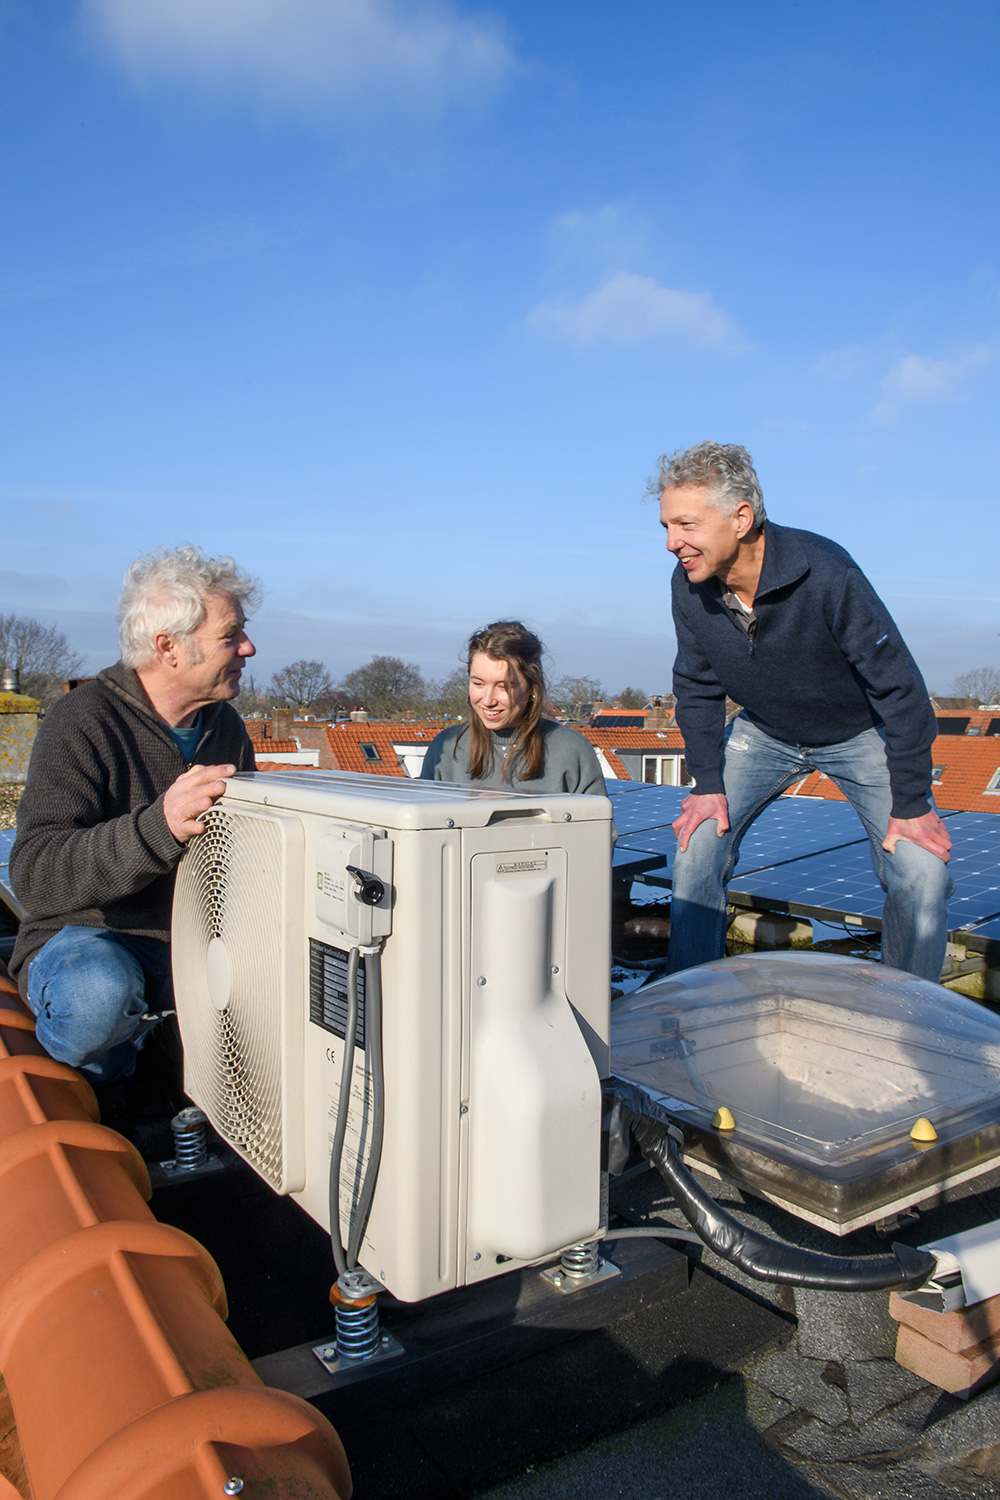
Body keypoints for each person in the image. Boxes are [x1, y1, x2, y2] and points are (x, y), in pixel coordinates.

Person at [656, 441, 952, 982]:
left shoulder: (827, 574)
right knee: (697, 844)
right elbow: (696, 687)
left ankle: (912, 1016)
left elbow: (902, 690)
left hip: (856, 732)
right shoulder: (689, 586)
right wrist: (706, 784)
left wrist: (911, 802)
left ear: (740, 518)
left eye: (686, 525)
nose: (673, 543)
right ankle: (687, 997)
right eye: (666, 527)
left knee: (920, 870)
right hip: (764, 732)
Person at [9, 544, 260, 1084]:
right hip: (95, 936)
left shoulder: (227, 728)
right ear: (168, 647)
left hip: (195, 940)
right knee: (97, 997)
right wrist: (158, 827)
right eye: (230, 635)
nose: (249, 647)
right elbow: (33, 873)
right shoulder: (80, 721)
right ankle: (109, 1086)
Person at [421, 620, 605, 794]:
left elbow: (597, 826)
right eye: (478, 683)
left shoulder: (572, 751)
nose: (487, 700)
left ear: (532, 688)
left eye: (504, 686)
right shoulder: (444, 750)